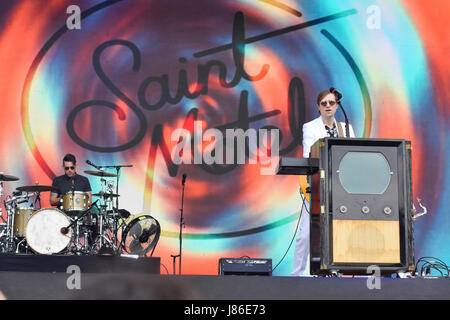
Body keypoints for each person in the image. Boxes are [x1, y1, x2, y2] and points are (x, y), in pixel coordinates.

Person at [291, 89, 355, 276]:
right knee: (305, 233)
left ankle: (341, 270)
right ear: (318, 107)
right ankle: (297, 275)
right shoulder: (310, 127)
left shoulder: (347, 128)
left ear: (337, 105)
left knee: (342, 230)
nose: (328, 106)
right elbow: (307, 155)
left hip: (342, 186)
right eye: (324, 103)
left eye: (331, 103)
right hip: (318, 183)